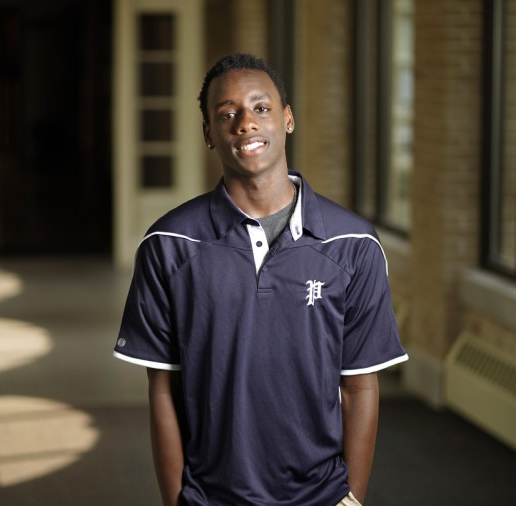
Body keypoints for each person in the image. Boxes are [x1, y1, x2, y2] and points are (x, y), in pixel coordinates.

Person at [113, 53, 408, 506]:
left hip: (322, 496)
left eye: (261, 108)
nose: (245, 123)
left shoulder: (354, 244)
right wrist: (177, 500)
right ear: (209, 134)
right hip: (210, 496)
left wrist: (353, 499)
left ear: (287, 120)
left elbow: (359, 386)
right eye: (227, 113)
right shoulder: (168, 244)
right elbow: (163, 389)